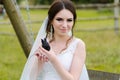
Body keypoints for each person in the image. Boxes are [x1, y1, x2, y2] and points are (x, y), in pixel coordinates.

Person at [20, 0, 89, 80]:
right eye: (59, 19)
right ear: (51, 20)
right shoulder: (44, 43)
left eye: (69, 20)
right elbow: (32, 77)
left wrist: (53, 59)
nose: (64, 25)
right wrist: (40, 62)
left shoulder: (78, 45)